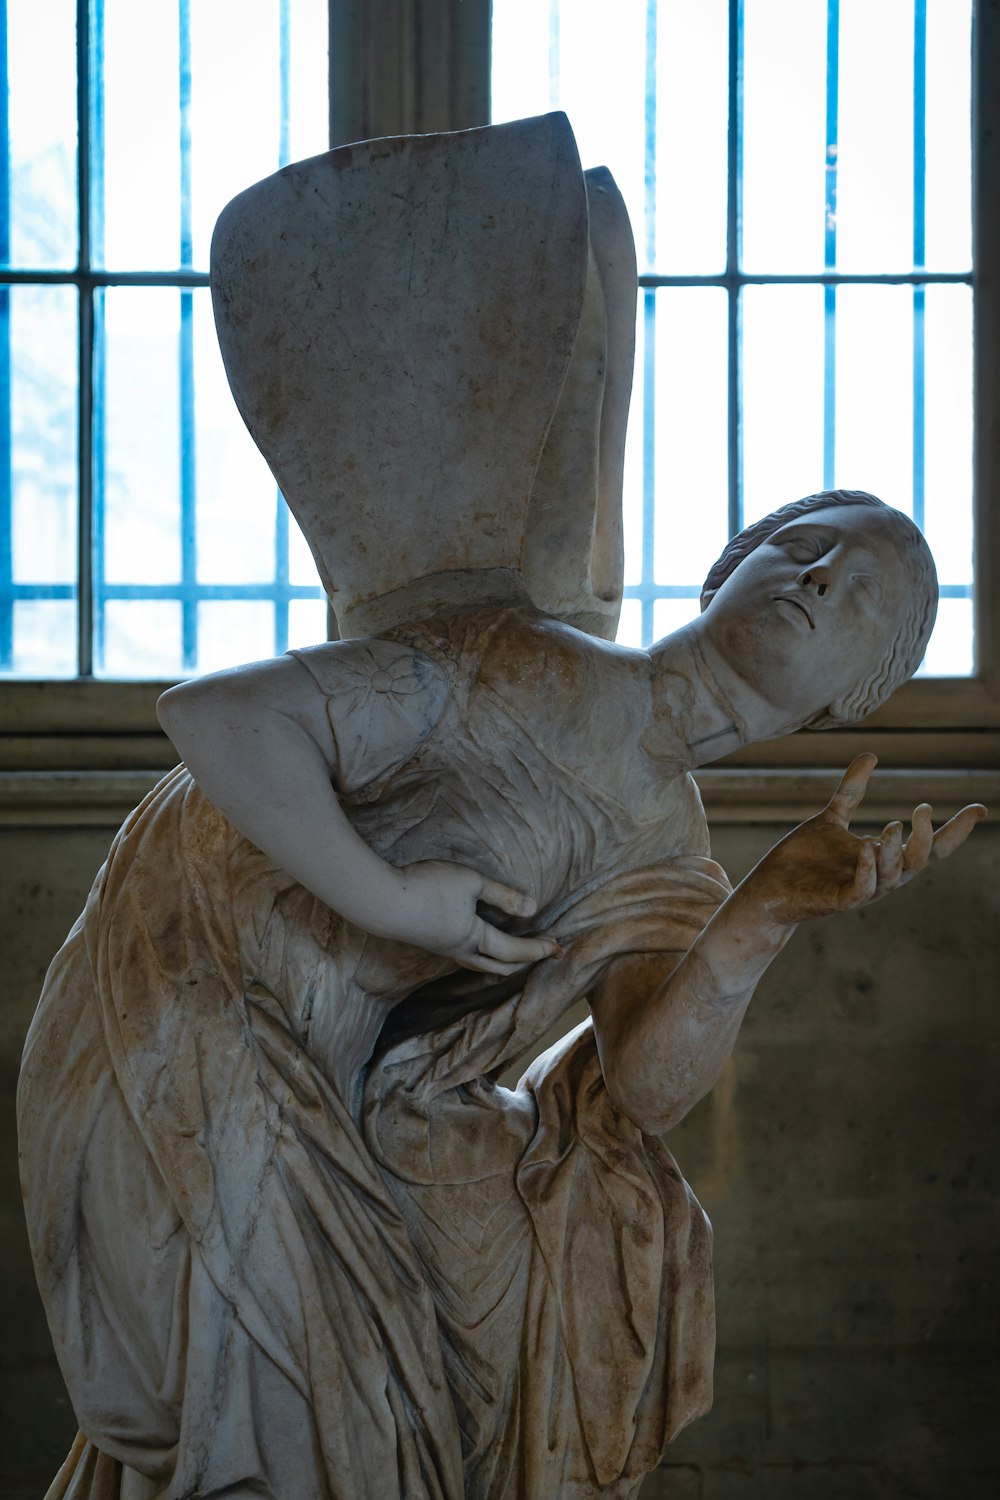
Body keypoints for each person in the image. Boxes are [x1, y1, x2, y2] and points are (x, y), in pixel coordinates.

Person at [18, 488, 983, 1500]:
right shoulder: (520, 657)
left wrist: (761, 914)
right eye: (798, 546)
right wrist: (396, 901)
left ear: (852, 700)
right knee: (301, 1434)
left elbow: (646, 1095)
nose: (817, 575)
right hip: (176, 992)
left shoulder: (669, 860)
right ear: (724, 569)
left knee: (374, 1416)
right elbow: (215, 716)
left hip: (301, 1090)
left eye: (860, 594)